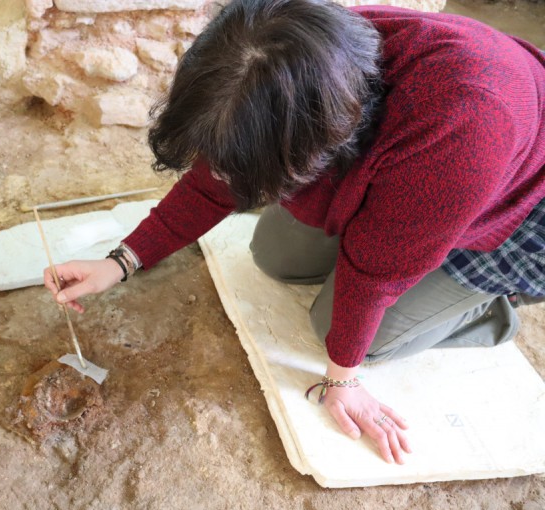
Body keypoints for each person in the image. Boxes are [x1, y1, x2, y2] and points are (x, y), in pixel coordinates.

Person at [43, 0, 545, 464]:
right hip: (416, 174)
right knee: (273, 253)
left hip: (512, 212)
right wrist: (123, 259)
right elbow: (220, 173)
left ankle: (493, 307)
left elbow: (373, 276)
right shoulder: (295, 54)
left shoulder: (460, 140)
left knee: (343, 332)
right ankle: (392, 240)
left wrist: (343, 380)